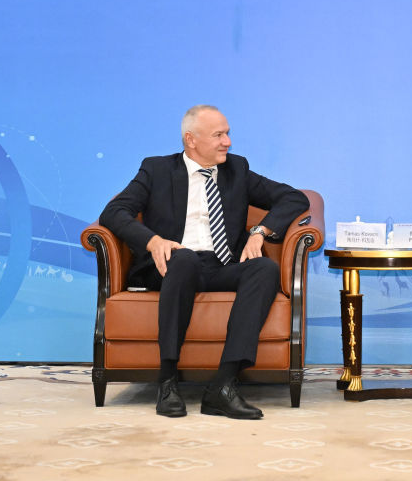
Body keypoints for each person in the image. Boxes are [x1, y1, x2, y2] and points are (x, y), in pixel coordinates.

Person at [99, 104, 308, 419]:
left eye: (228, 134)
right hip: (171, 267)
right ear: (191, 139)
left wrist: (259, 232)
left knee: (264, 268)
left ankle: (223, 385)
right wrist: (153, 241)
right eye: (218, 135)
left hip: (222, 265)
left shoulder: (236, 170)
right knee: (183, 260)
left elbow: (294, 198)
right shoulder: (156, 170)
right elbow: (114, 212)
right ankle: (167, 381)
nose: (228, 142)